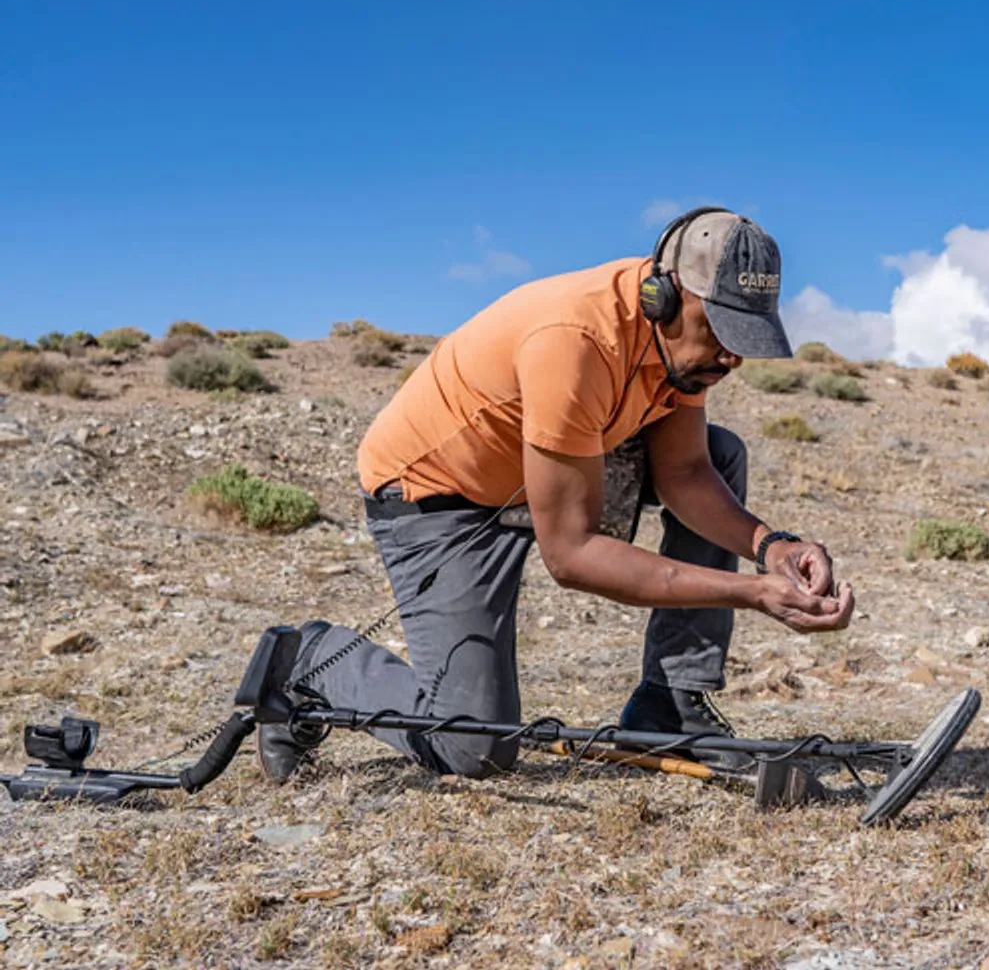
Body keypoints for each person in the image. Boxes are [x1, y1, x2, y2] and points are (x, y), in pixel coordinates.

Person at [256, 206, 855, 783]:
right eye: (721, 330)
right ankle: (306, 661)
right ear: (665, 296)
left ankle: (671, 703)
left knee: (721, 455)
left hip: (531, 467)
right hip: (437, 493)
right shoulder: (576, 339)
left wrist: (770, 546)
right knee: (473, 748)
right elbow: (570, 555)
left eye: (745, 336)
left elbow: (688, 473)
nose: (732, 357)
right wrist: (752, 593)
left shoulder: (681, 354)